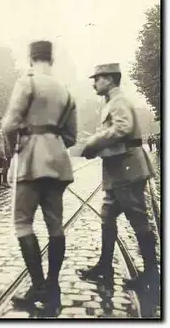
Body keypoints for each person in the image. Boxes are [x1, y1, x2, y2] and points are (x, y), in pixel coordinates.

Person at [2, 41, 77, 311]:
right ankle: (53, 286)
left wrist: (15, 150)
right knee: (55, 225)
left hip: (30, 160)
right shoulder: (66, 91)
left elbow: (8, 125)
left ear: (31, 59)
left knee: (22, 223)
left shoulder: (27, 83)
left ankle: (38, 285)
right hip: (57, 162)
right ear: (51, 59)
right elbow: (71, 136)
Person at [77, 63, 158, 292]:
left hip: (127, 170)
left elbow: (123, 128)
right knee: (107, 217)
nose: (94, 83)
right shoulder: (111, 102)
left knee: (138, 219)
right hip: (119, 170)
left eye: (98, 78)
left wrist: (94, 142)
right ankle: (105, 266)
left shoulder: (118, 101)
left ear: (111, 79)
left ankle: (152, 274)